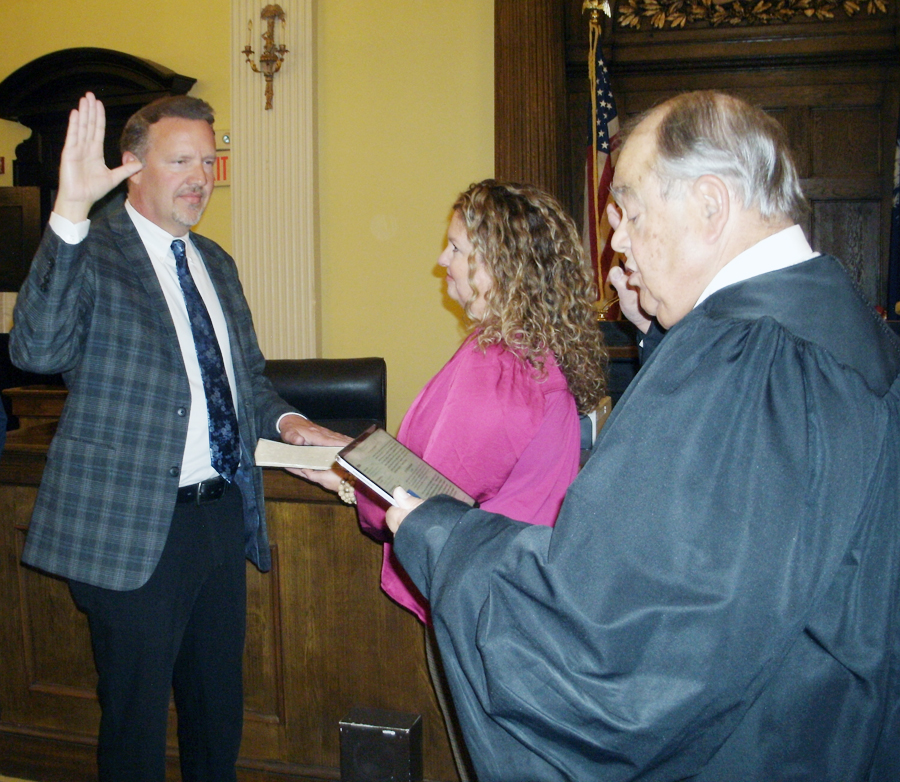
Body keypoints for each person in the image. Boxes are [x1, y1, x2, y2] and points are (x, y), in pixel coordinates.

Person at [384, 91, 900, 781]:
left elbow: (607, 646)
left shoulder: (743, 362)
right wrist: (665, 339)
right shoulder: (835, 320)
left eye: (628, 209)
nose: (616, 239)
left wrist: (439, 534)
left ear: (710, 206)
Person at [9, 92, 344, 782]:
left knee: (217, 711)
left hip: (221, 517)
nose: (203, 175)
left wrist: (288, 423)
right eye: (181, 160)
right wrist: (68, 213)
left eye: (211, 158)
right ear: (133, 167)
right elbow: (37, 350)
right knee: (134, 728)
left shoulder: (215, 262)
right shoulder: (92, 251)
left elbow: (246, 382)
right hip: (133, 531)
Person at [298, 179, 607, 778]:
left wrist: (346, 478)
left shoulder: (501, 367)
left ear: (499, 264)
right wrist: (349, 452)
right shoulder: (528, 348)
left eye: (458, 248)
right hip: (518, 598)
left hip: (487, 606)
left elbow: (428, 502)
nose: (443, 260)